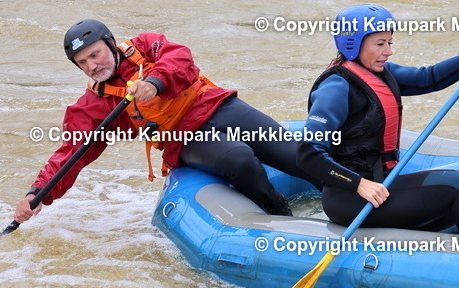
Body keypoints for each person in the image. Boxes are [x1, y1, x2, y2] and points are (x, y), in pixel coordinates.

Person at [13, 21, 320, 225]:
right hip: (183, 140)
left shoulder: (146, 46)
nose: (93, 66)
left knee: (296, 154)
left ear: (110, 44)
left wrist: (155, 82)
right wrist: (39, 192)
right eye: (83, 63)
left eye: (95, 54)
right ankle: (280, 212)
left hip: (216, 106)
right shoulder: (94, 104)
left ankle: (355, 191)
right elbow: (72, 152)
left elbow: (182, 60)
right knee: (240, 158)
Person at [298, 5, 459, 238]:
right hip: (351, 199)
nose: (389, 51)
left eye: (390, 43)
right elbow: (308, 154)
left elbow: (427, 78)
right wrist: (359, 184)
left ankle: (429, 242)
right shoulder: (336, 87)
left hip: (384, 186)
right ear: (353, 43)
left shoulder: (380, 73)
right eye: (380, 44)